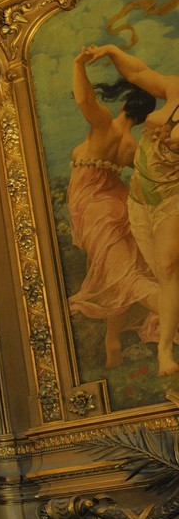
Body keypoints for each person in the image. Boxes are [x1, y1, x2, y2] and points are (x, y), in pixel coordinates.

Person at [66, 47, 159, 367]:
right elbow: (149, 179)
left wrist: (78, 64)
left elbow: (85, 101)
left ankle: (171, 311)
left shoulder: (105, 125)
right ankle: (112, 342)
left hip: (96, 209)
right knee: (119, 274)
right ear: (143, 117)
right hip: (117, 204)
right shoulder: (134, 147)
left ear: (123, 105)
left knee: (126, 277)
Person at [89, 43, 179, 375]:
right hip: (141, 198)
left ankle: (164, 352)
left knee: (167, 267)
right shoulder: (175, 87)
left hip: (173, 197)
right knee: (159, 272)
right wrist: (112, 50)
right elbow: (138, 72)